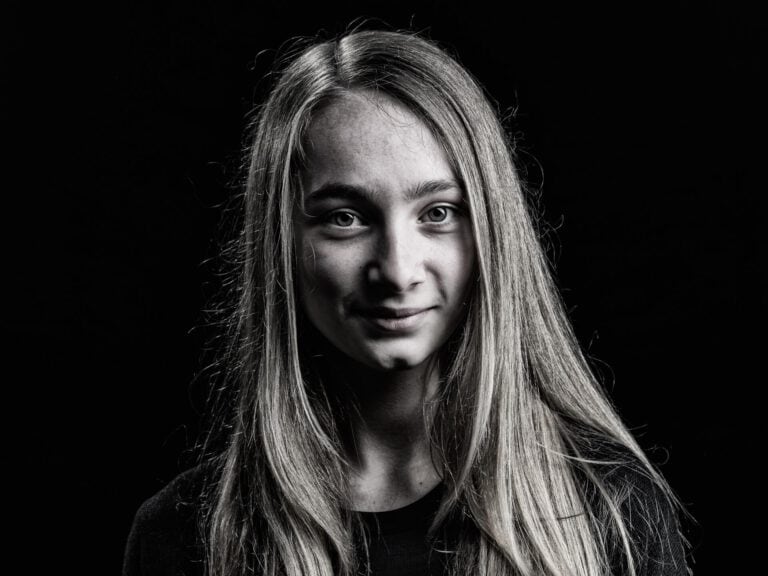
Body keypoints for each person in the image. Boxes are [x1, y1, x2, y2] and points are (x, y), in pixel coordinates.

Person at [123, 28, 689, 576]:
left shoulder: (611, 511)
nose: (396, 271)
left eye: (437, 213)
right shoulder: (183, 536)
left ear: (491, 233)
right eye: (346, 218)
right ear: (282, 244)